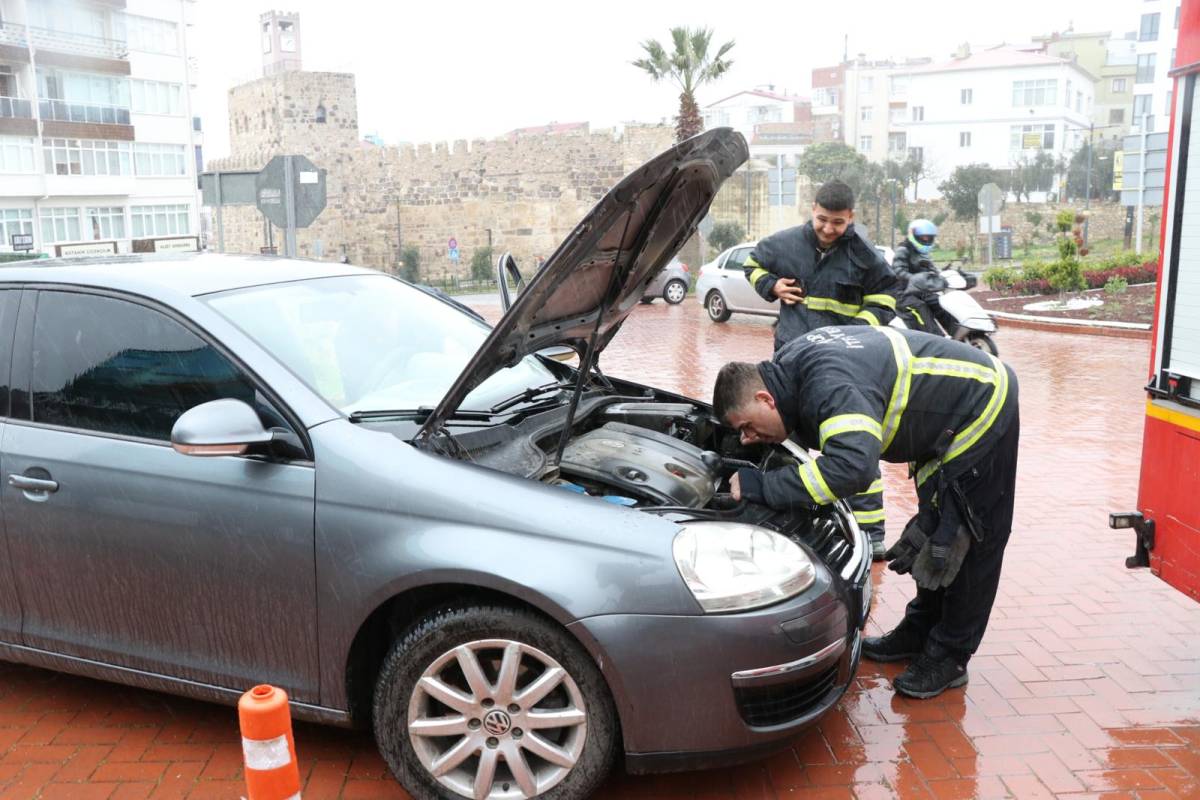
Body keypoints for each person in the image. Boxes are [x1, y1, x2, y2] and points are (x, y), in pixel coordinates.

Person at [712, 325, 1019, 699]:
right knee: (936, 532)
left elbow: (852, 468)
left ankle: (951, 656)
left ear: (765, 399)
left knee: (966, 538)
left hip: (982, 406)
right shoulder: (789, 370)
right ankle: (919, 632)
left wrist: (762, 486)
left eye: (747, 427)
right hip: (944, 419)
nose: (747, 438)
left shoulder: (827, 385)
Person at [742, 179, 900, 559]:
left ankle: (870, 533)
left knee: (854, 442)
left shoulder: (864, 256)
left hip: (844, 368)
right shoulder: (785, 244)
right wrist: (772, 286)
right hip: (791, 363)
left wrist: (858, 331)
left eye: (838, 223)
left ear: (851, 218)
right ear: (812, 210)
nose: (829, 229)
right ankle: (793, 518)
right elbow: (752, 264)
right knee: (788, 441)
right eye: (822, 219)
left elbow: (886, 298)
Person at [892, 219, 957, 336]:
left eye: (929, 238)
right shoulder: (903, 250)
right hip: (904, 293)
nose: (926, 240)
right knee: (921, 308)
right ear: (914, 236)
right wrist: (914, 278)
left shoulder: (923, 253)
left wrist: (943, 275)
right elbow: (898, 271)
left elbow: (932, 269)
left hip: (922, 292)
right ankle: (936, 338)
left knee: (940, 303)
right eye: (923, 237)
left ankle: (957, 334)